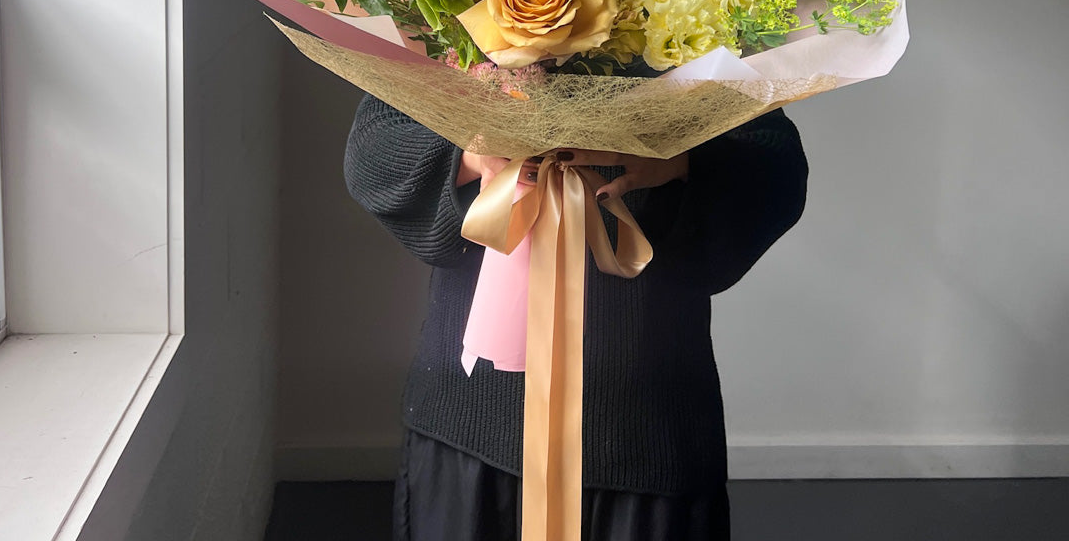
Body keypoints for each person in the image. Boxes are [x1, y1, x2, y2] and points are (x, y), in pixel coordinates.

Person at [344, 93, 808, 541]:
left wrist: (681, 161)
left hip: (645, 426)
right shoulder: (458, 21)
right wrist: (470, 157)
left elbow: (776, 164)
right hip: (472, 422)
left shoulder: (703, 24)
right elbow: (373, 146)